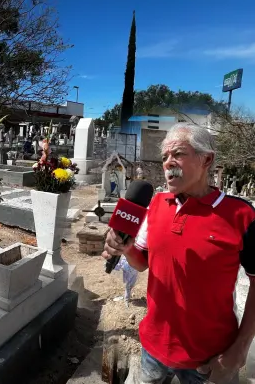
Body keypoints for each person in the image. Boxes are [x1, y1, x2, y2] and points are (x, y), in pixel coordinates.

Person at [103, 123, 255, 384]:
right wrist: (127, 250)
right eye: (164, 157)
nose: (168, 163)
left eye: (178, 154)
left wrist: (240, 348)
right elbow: (142, 264)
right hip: (153, 347)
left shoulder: (242, 215)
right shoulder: (156, 205)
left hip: (210, 359)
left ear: (207, 159)